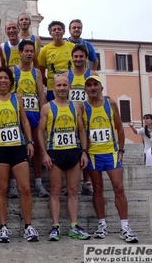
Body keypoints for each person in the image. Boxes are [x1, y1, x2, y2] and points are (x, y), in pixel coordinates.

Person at [0, 66, 38, 243]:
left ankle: (28, 226)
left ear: (11, 82)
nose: (3, 81)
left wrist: (30, 141)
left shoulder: (17, 98)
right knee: (2, 188)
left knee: (25, 188)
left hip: (18, 146)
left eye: (6, 78)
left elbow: (24, 120)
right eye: (0, 78)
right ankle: (3, 227)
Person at [82, 75, 138, 243]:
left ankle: (125, 227)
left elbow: (120, 128)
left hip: (111, 153)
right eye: (89, 85)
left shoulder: (110, 103)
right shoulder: (82, 108)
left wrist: (121, 149)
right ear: (85, 89)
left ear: (101, 87)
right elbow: (80, 130)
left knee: (119, 188)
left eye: (95, 84)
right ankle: (102, 224)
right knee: (98, 189)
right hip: (93, 155)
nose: (92, 87)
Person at [38, 75, 91, 242]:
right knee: (55, 191)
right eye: (59, 85)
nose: (62, 88)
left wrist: (83, 152)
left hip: (73, 152)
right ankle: (56, 226)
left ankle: (74, 226)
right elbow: (40, 131)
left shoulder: (76, 107)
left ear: (69, 88)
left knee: (73, 191)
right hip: (55, 153)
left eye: (64, 85)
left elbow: (81, 131)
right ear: (53, 88)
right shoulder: (47, 107)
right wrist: (44, 153)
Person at [12, 40, 48, 197]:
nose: (29, 54)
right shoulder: (13, 71)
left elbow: (41, 94)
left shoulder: (37, 72)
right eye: (26, 51)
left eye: (31, 51)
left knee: (38, 149)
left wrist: (45, 114)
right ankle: (13, 185)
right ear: (19, 52)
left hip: (34, 114)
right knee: (16, 149)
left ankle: (39, 183)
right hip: (18, 116)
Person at [62, 45, 98, 196]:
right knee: (69, 149)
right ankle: (68, 184)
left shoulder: (92, 74)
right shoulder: (66, 75)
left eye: (81, 56)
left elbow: (97, 94)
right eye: (75, 56)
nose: (78, 59)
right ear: (72, 57)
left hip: (88, 116)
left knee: (87, 149)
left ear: (86, 58)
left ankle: (87, 183)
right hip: (70, 118)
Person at [38, 21, 75, 101]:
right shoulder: (45, 50)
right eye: (54, 30)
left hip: (71, 87)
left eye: (59, 29)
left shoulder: (73, 47)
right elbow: (41, 73)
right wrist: (51, 85)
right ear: (50, 33)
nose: (57, 31)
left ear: (64, 32)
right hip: (52, 89)